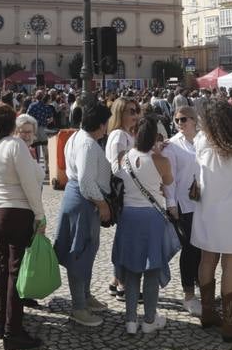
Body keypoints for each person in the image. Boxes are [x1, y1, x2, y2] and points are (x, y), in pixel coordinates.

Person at [0, 103, 46, 350]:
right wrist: (39, 215)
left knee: (3, 266)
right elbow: (31, 183)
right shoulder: (15, 145)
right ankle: (13, 330)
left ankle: (2, 321)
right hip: (15, 210)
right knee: (15, 270)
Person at [192, 99, 232, 342]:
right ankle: (230, 323)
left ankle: (208, 312)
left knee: (207, 260)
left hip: (207, 209)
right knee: (231, 265)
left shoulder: (201, 143)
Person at [111, 115, 176, 335]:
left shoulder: (123, 156)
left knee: (131, 271)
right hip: (152, 217)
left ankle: (130, 320)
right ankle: (149, 320)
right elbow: (168, 182)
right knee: (151, 269)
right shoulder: (161, 161)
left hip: (128, 217)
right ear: (155, 137)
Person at [54, 102, 113, 328]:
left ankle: (85, 296)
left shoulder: (77, 137)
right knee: (79, 253)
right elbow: (88, 183)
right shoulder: (88, 145)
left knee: (85, 251)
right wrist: (103, 204)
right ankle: (79, 306)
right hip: (84, 201)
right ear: (101, 124)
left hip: (78, 198)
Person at [164, 106, 203, 315]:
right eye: (177, 120)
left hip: (204, 203)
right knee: (189, 248)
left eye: (184, 119)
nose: (180, 123)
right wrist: (171, 203)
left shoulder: (203, 140)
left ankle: (201, 284)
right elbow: (168, 178)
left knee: (202, 247)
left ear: (194, 120)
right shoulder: (172, 146)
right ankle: (188, 294)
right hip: (183, 203)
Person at [103, 97, 140, 298]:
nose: (134, 115)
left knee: (124, 237)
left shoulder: (126, 134)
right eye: (130, 112)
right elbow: (118, 169)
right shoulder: (118, 136)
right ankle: (123, 283)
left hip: (128, 193)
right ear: (120, 114)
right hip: (124, 194)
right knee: (126, 239)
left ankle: (116, 279)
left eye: (135, 111)